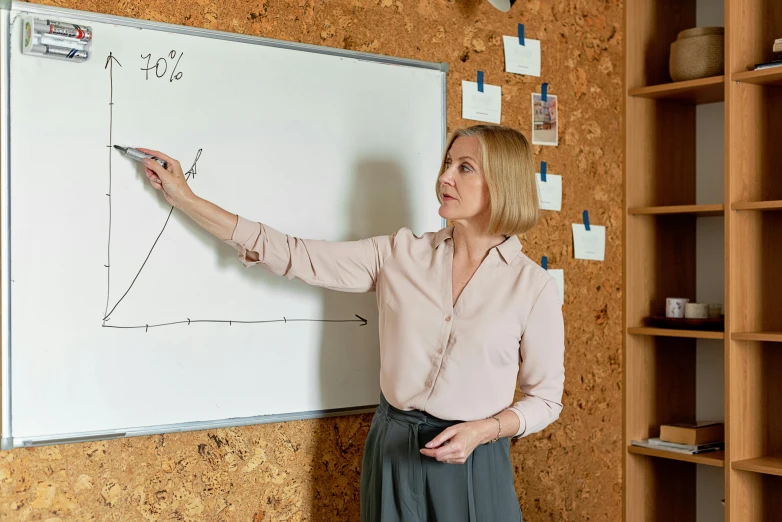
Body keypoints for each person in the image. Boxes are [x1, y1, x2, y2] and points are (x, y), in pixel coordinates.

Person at [138, 124, 565, 522]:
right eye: (447, 164)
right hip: (393, 447)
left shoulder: (533, 287)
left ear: (501, 184)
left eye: (464, 168)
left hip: (476, 459)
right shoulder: (399, 255)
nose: (445, 177)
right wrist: (186, 198)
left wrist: (484, 431)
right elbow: (291, 252)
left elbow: (545, 400)